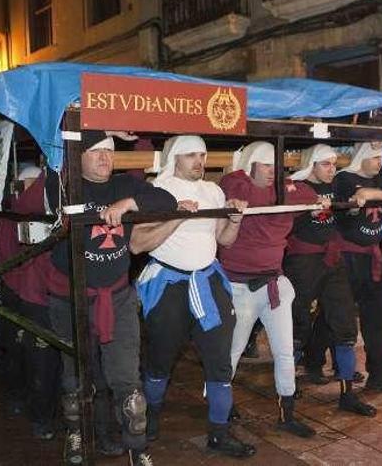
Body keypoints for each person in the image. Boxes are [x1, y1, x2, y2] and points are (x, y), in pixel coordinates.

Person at [45, 130, 177, 466]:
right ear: (78, 155)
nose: (105, 158)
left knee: (127, 383)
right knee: (75, 378)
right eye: (96, 151)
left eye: (110, 151)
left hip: (117, 296)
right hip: (70, 297)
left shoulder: (123, 185)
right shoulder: (63, 183)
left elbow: (167, 202)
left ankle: (137, 448)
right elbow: (53, 152)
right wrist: (104, 126)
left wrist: (129, 203)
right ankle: (76, 436)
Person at [131, 135, 256, 458]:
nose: (199, 162)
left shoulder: (213, 191)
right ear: (174, 157)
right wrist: (176, 217)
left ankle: (219, 433)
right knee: (160, 359)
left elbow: (224, 240)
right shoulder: (156, 193)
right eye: (191, 156)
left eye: (202, 155)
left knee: (219, 361)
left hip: (208, 282)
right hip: (169, 285)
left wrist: (235, 220)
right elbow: (137, 244)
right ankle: (150, 418)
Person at [220, 141, 318, 438]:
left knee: (285, 351)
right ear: (249, 164)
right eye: (265, 165)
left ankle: (287, 413)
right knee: (231, 352)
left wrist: (284, 188)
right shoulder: (235, 183)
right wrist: (282, 192)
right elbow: (236, 187)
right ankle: (220, 408)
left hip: (274, 283)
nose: (272, 172)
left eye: (276, 167)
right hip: (239, 285)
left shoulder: (284, 186)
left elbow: (310, 194)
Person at [285, 144, 376, 416]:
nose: (332, 169)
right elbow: (282, 221)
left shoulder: (335, 186)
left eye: (334, 164)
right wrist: (304, 211)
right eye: (325, 164)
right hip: (302, 263)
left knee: (345, 322)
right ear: (311, 164)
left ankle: (347, 394)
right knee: (298, 322)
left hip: (331, 260)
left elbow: (343, 214)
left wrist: (350, 209)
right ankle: (287, 384)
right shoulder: (294, 187)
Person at [332, 141, 382, 394]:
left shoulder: (380, 176)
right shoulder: (344, 178)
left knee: (379, 319)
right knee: (336, 317)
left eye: (381, 158)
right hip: (346, 257)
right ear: (362, 158)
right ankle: (315, 362)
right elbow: (364, 196)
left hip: (372, 257)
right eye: (375, 157)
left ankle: (379, 374)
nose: (380, 162)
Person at [0, 164, 59, 439]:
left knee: (59, 361)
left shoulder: (53, 210)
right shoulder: (12, 216)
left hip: (56, 295)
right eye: (29, 186)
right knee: (40, 360)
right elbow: (8, 260)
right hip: (33, 296)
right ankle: (41, 416)